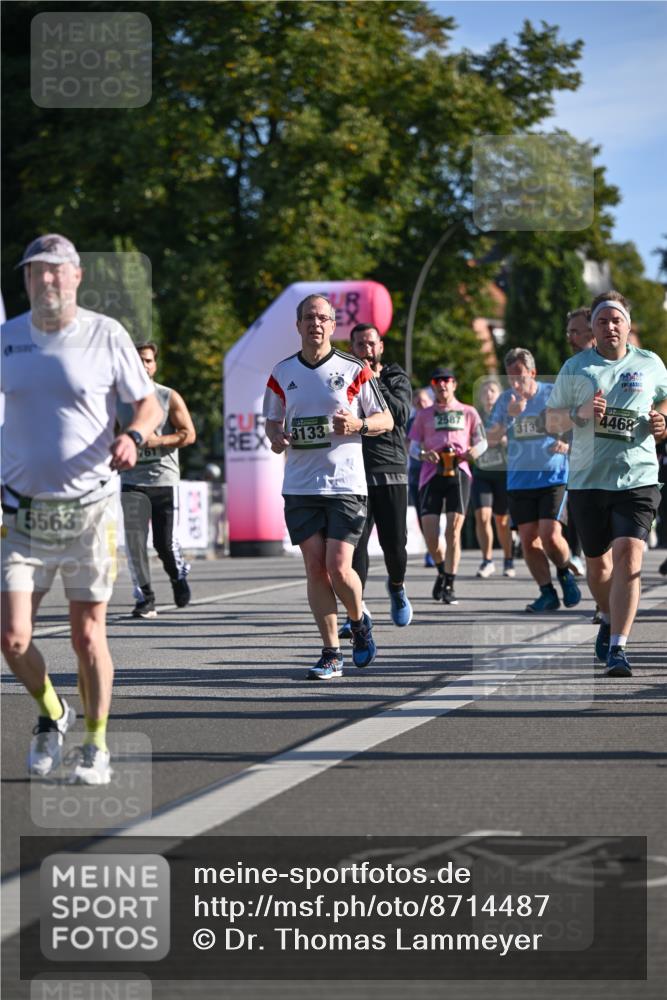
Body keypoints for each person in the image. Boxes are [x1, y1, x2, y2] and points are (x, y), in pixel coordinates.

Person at [1, 234, 160, 784]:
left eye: (52, 272)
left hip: (90, 508)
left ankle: (95, 745)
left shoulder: (105, 335)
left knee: (87, 634)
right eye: (32, 273)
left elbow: (147, 403)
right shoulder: (7, 339)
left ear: (75, 277)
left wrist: (135, 436)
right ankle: (52, 713)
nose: (43, 281)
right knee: (13, 638)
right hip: (22, 514)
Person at [263, 294, 393, 680]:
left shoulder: (353, 368)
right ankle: (331, 652)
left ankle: (360, 620)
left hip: (345, 484)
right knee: (316, 571)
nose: (315, 324)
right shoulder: (282, 371)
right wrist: (276, 437)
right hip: (301, 485)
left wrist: (358, 426)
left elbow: (385, 419)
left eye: (322, 318)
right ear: (298, 325)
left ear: (332, 325)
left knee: (339, 567)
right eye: (308, 318)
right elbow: (272, 420)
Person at [546, 290, 667, 677]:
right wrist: (580, 413)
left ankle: (619, 646)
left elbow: (665, 401)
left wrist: (663, 419)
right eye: (602, 321)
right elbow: (551, 422)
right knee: (598, 566)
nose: (610, 326)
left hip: (638, 478)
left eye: (616, 320)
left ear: (628, 326)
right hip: (587, 480)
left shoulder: (650, 363)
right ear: (593, 329)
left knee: (630, 556)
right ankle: (604, 612)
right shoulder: (576, 367)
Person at [486, 348, 582, 613]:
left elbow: (579, 422)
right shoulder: (505, 400)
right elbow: (490, 440)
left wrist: (566, 442)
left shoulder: (552, 393)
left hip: (553, 475)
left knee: (550, 536)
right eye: (510, 377)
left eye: (520, 375)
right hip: (519, 480)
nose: (515, 382)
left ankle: (564, 572)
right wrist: (509, 417)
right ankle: (547, 592)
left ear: (533, 372)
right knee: (529, 540)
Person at [337, 323, 413, 638]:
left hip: (391, 469)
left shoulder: (395, 377)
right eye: (359, 345)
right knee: (355, 546)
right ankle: (358, 610)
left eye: (370, 343)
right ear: (352, 348)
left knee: (394, 545)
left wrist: (374, 382)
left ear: (380, 345)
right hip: (355, 473)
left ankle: (396, 586)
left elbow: (400, 414)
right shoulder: (343, 379)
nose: (365, 349)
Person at [118, 342, 196, 618]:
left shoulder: (168, 396)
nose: (144, 366)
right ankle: (145, 597)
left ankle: (177, 575)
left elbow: (189, 433)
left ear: (154, 365)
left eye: (148, 361)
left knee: (164, 543)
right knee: (134, 541)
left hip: (164, 478)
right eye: (138, 360)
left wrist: (158, 440)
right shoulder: (118, 400)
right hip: (131, 479)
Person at [407, 367, 487, 605]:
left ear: (454, 384)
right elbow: (412, 446)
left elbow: (482, 441)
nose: (442, 385)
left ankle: (450, 583)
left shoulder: (469, 412)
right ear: (433, 386)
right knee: (431, 534)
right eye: (437, 381)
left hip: (459, 472)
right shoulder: (424, 415)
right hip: (432, 474)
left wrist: (475, 451)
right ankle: (442, 571)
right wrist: (423, 455)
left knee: (453, 530)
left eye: (447, 381)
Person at [471, 375, 514, 578]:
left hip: (503, 473)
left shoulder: (507, 415)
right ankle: (487, 560)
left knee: (502, 520)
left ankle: (508, 559)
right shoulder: (475, 416)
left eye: (493, 391)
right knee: (482, 516)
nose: (489, 395)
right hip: (481, 473)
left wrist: (506, 439)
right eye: (485, 391)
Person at [407, 387, 435, 567]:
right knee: (422, 513)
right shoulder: (411, 422)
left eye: (423, 401)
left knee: (433, 513)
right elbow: (407, 445)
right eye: (417, 402)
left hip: (434, 472)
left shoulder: (435, 418)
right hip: (416, 472)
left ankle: (436, 549)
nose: (420, 405)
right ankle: (431, 549)